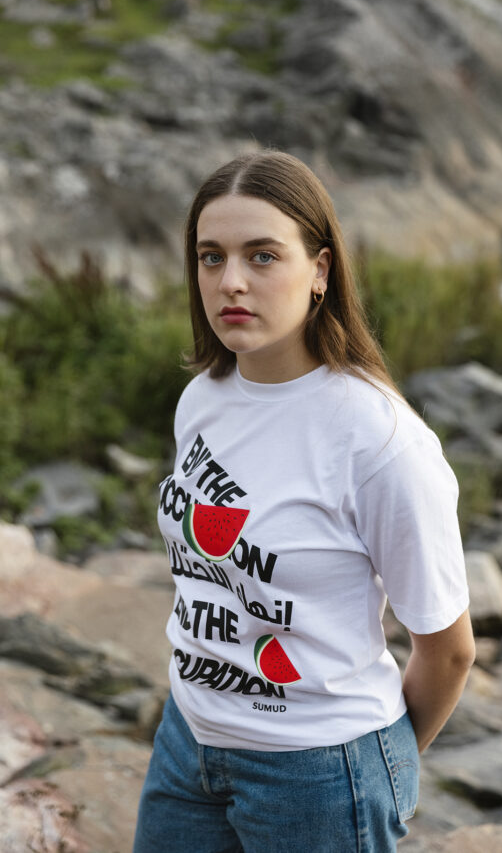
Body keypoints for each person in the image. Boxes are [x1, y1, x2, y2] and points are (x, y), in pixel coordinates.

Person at [133, 150, 475, 853]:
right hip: (187, 740)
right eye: (210, 256)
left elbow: (448, 650)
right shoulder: (202, 400)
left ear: (320, 271)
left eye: (262, 256)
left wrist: (384, 764)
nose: (230, 281)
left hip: (318, 773)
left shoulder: (380, 443)